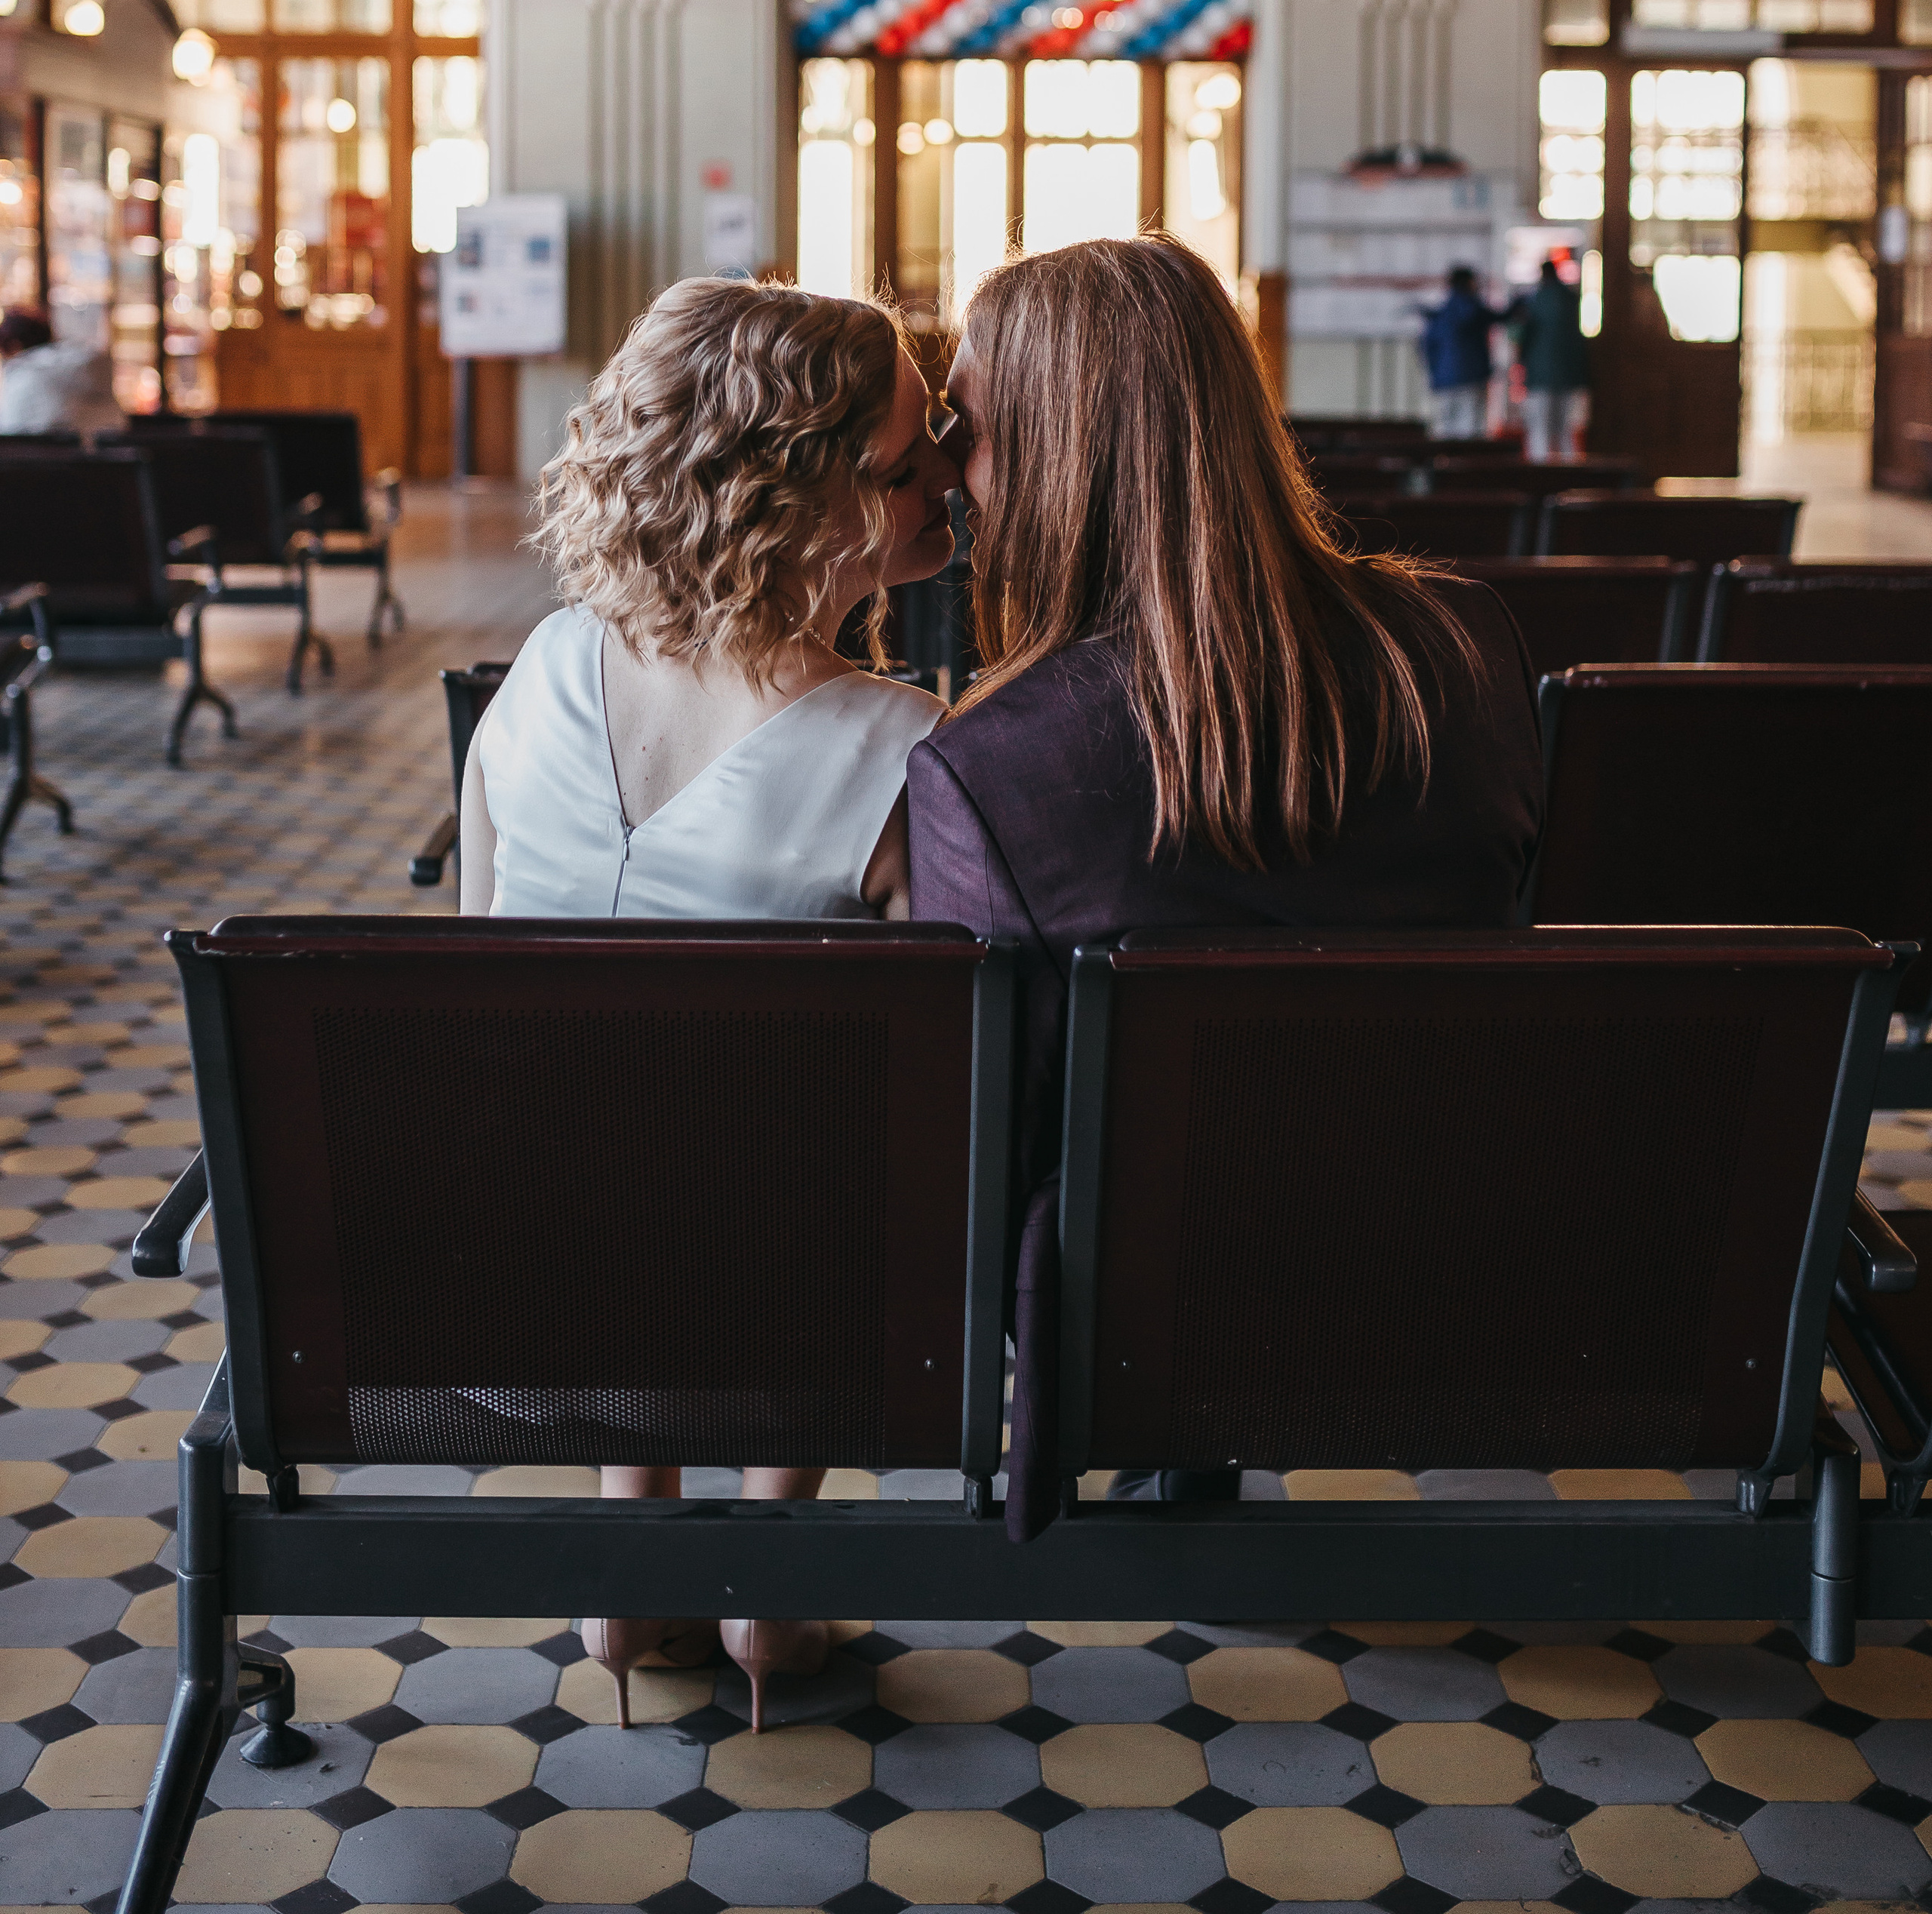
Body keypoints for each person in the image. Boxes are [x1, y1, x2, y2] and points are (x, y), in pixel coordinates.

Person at [908, 235, 1543, 1502]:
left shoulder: (995, 767)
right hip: (1470, 1256)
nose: (951, 477)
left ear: (1055, 445)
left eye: (960, 427)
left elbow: (981, 1143)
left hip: (1149, 1300)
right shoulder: (1460, 644)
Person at [459, 276, 958, 1727]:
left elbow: (485, 984)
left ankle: (634, 1561)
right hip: (778, 1297)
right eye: (904, 462)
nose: (951, 481)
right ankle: (769, 1575)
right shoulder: (899, 751)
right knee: (833, 1146)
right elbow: (932, 1093)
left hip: (522, 1281)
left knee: (604, 1122)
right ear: (785, 497)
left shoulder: (540, 672)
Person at [1511, 252, 1592, 461]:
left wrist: (1520, 361)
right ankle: (1572, 479)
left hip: (1540, 375)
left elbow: (1522, 335)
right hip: (1569, 374)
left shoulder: (1534, 300)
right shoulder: (1572, 299)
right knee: (1565, 429)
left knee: (1540, 430)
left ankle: (1541, 480)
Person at [0, 310, 123, 438]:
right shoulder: (91, 364)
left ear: (15, 346)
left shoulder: (24, 376)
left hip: (38, 456)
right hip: (111, 455)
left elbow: (10, 433)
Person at [1415, 263, 1500, 439]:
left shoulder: (1439, 314)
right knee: (1472, 431)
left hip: (1445, 380)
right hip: (1473, 379)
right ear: (1470, 283)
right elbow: (1502, 317)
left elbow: (1427, 348)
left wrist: (1435, 373)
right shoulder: (1476, 311)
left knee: (1445, 430)